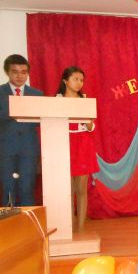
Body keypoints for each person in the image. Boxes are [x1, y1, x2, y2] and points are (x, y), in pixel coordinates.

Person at [0, 54, 43, 206]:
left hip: (28, 150)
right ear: (7, 72)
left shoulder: (37, 94)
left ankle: (27, 220)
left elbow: (41, 120)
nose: (19, 76)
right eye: (15, 72)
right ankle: (9, 220)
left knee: (27, 189)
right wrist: (13, 110)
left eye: (24, 72)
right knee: (8, 189)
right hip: (5, 149)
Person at [56, 66, 99, 230]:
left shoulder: (85, 101)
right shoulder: (57, 100)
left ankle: (80, 228)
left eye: (81, 80)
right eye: (75, 79)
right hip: (63, 142)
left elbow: (91, 127)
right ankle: (68, 227)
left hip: (82, 143)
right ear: (65, 80)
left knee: (81, 189)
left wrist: (87, 120)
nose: (79, 83)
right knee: (67, 189)